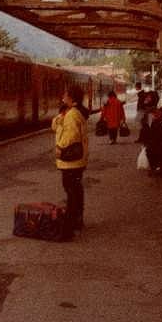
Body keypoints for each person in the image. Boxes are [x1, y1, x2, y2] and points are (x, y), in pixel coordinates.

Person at [53, 85, 90, 232]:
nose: (62, 97)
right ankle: (77, 219)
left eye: (65, 95)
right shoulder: (70, 113)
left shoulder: (73, 114)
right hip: (77, 159)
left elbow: (71, 135)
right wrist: (61, 115)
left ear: (71, 98)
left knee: (71, 191)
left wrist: (60, 148)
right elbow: (55, 126)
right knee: (75, 189)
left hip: (70, 160)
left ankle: (72, 221)